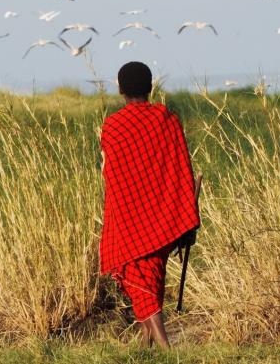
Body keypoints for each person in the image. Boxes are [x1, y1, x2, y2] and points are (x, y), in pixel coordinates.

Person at [99, 61, 199, 348]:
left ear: (120, 90)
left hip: (131, 220)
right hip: (165, 218)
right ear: (151, 86)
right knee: (149, 283)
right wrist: (189, 217)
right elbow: (183, 171)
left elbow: (112, 178)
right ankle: (146, 347)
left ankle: (167, 350)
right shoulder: (167, 119)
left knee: (143, 284)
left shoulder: (113, 126)